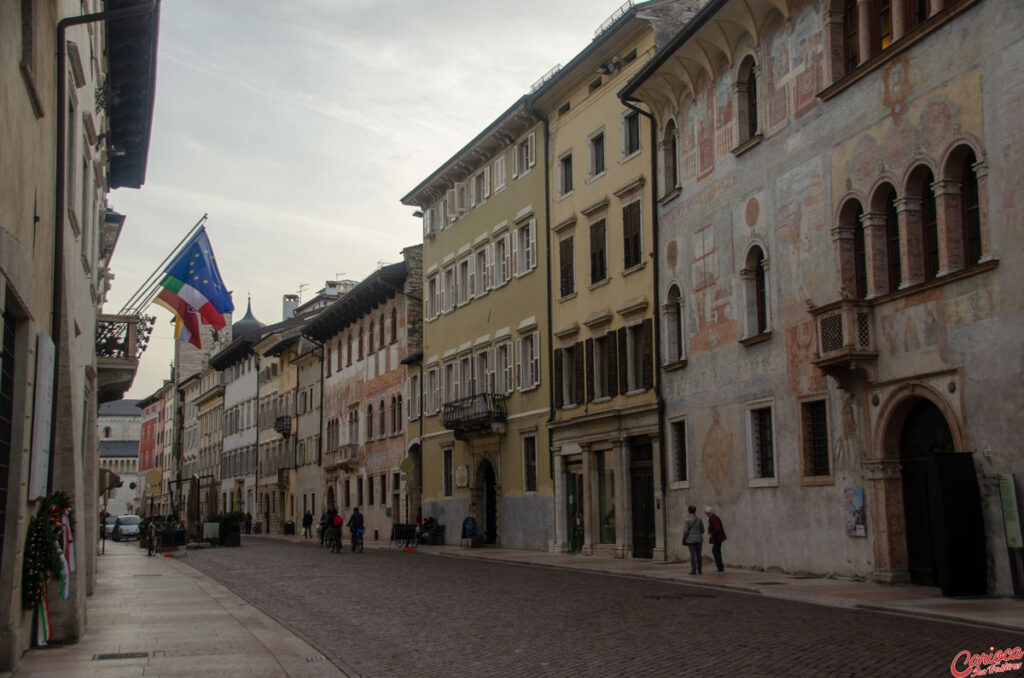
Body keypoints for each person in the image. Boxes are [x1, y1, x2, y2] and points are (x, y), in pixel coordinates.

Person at [683, 505, 704, 574]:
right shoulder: (699, 519)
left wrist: (684, 537)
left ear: (689, 511)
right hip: (698, 539)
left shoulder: (687, 520)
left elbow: (685, 531)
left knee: (692, 555)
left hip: (690, 539)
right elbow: (702, 530)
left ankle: (693, 569)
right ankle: (700, 569)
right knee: (699, 554)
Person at [705, 506, 727, 573]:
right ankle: (720, 567)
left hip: (718, 538)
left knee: (716, 551)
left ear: (709, 513)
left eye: (706, 512)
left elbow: (717, 528)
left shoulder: (714, 518)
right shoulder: (712, 518)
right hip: (718, 538)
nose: (706, 514)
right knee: (716, 551)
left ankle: (720, 568)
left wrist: (712, 534)